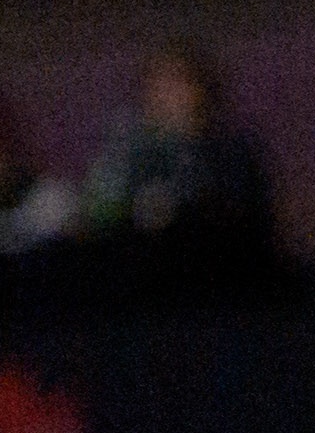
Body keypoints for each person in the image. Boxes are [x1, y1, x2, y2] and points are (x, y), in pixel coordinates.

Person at [75, 49, 282, 299]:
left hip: (219, 282)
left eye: (178, 82)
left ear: (202, 90)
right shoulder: (129, 152)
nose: (166, 94)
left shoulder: (232, 152)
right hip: (142, 285)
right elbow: (101, 214)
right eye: (158, 84)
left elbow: (243, 220)